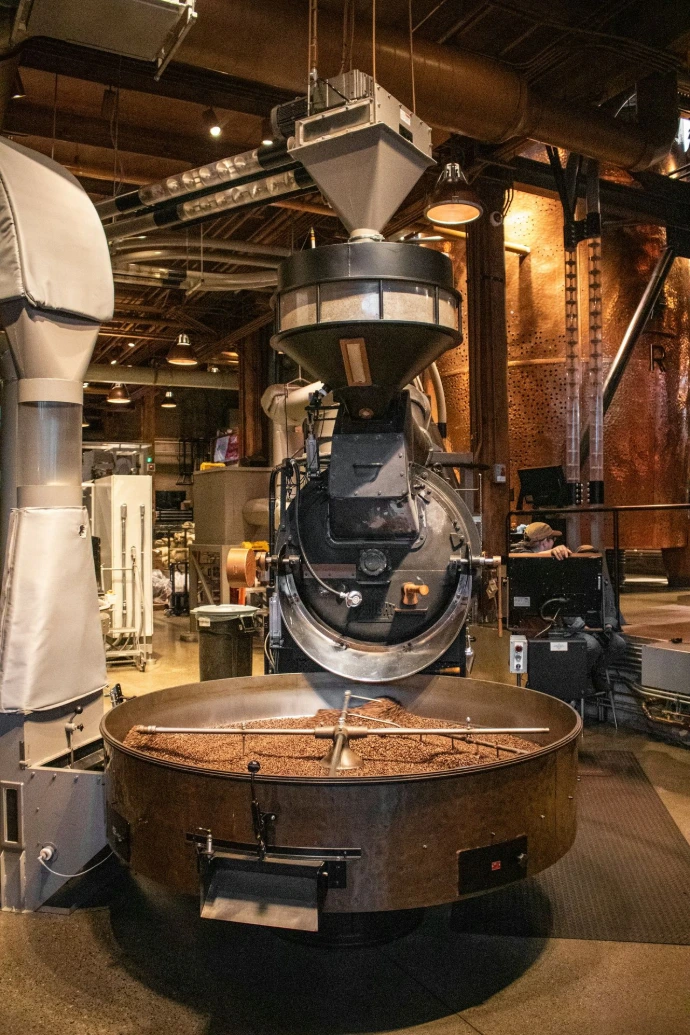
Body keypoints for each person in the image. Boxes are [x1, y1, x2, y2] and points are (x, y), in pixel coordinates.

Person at [510, 522, 626, 688]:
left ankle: (593, 673)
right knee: (591, 646)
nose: (554, 544)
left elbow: (608, 600)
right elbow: (562, 603)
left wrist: (609, 623)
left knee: (617, 644)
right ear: (544, 542)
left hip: (571, 625)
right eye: (552, 541)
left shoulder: (555, 563)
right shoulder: (533, 562)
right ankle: (580, 679)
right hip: (553, 628)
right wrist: (581, 626)